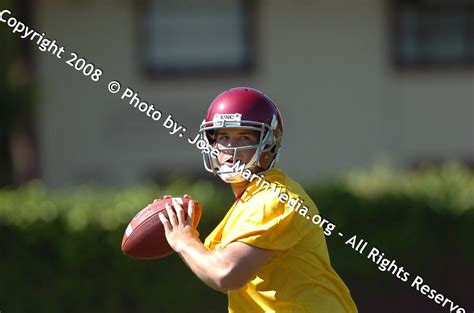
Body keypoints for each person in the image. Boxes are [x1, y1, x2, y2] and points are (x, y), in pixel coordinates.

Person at [158, 87, 358, 312]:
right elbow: (228, 273)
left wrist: (184, 241)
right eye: (224, 137)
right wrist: (184, 229)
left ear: (268, 147)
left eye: (244, 137)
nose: (231, 148)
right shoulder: (249, 200)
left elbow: (226, 274)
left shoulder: (275, 198)